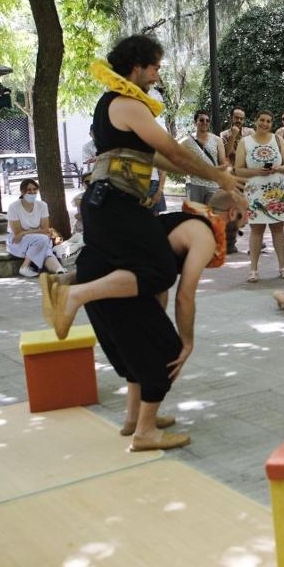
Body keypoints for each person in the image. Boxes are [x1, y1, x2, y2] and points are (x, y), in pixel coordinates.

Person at [40, 35, 243, 341]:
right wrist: (219, 178)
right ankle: (74, 295)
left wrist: (210, 171)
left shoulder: (114, 104)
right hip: (114, 204)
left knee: (117, 264)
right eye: (155, 68)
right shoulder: (126, 104)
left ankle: (67, 282)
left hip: (107, 203)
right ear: (137, 67)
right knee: (159, 270)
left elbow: (160, 158)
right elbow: (174, 151)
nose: (157, 76)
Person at [96, 191, 244, 450]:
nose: (245, 224)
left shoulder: (180, 220)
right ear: (232, 213)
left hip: (115, 280)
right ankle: (144, 431)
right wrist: (187, 342)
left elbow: (161, 278)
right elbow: (185, 296)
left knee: (140, 351)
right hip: (121, 287)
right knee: (168, 352)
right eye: (245, 217)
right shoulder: (203, 235)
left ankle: (134, 419)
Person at [238, 111, 284, 282]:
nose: (265, 123)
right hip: (255, 191)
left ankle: (283, 267)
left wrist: (278, 168)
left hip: (276, 190)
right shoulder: (245, 142)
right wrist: (256, 171)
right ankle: (253, 270)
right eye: (262, 120)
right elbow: (238, 169)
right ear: (255, 121)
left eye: (268, 121)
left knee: (278, 228)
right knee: (257, 230)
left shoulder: (278, 139)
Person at [6, 179, 65, 278]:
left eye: (34, 189)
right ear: (22, 191)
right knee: (43, 240)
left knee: (46, 248)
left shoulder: (42, 205)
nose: (32, 192)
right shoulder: (14, 207)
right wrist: (28, 233)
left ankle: (60, 271)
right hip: (18, 242)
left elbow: (45, 229)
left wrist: (24, 233)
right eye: (29, 190)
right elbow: (17, 232)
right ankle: (25, 266)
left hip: (38, 239)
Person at [181, 109, 228, 205]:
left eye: (207, 120)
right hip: (194, 184)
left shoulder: (217, 140)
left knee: (210, 217)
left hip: (213, 184)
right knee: (196, 216)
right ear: (195, 122)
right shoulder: (187, 141)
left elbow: (223, 163)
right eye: (201, 120)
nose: (205, 122)